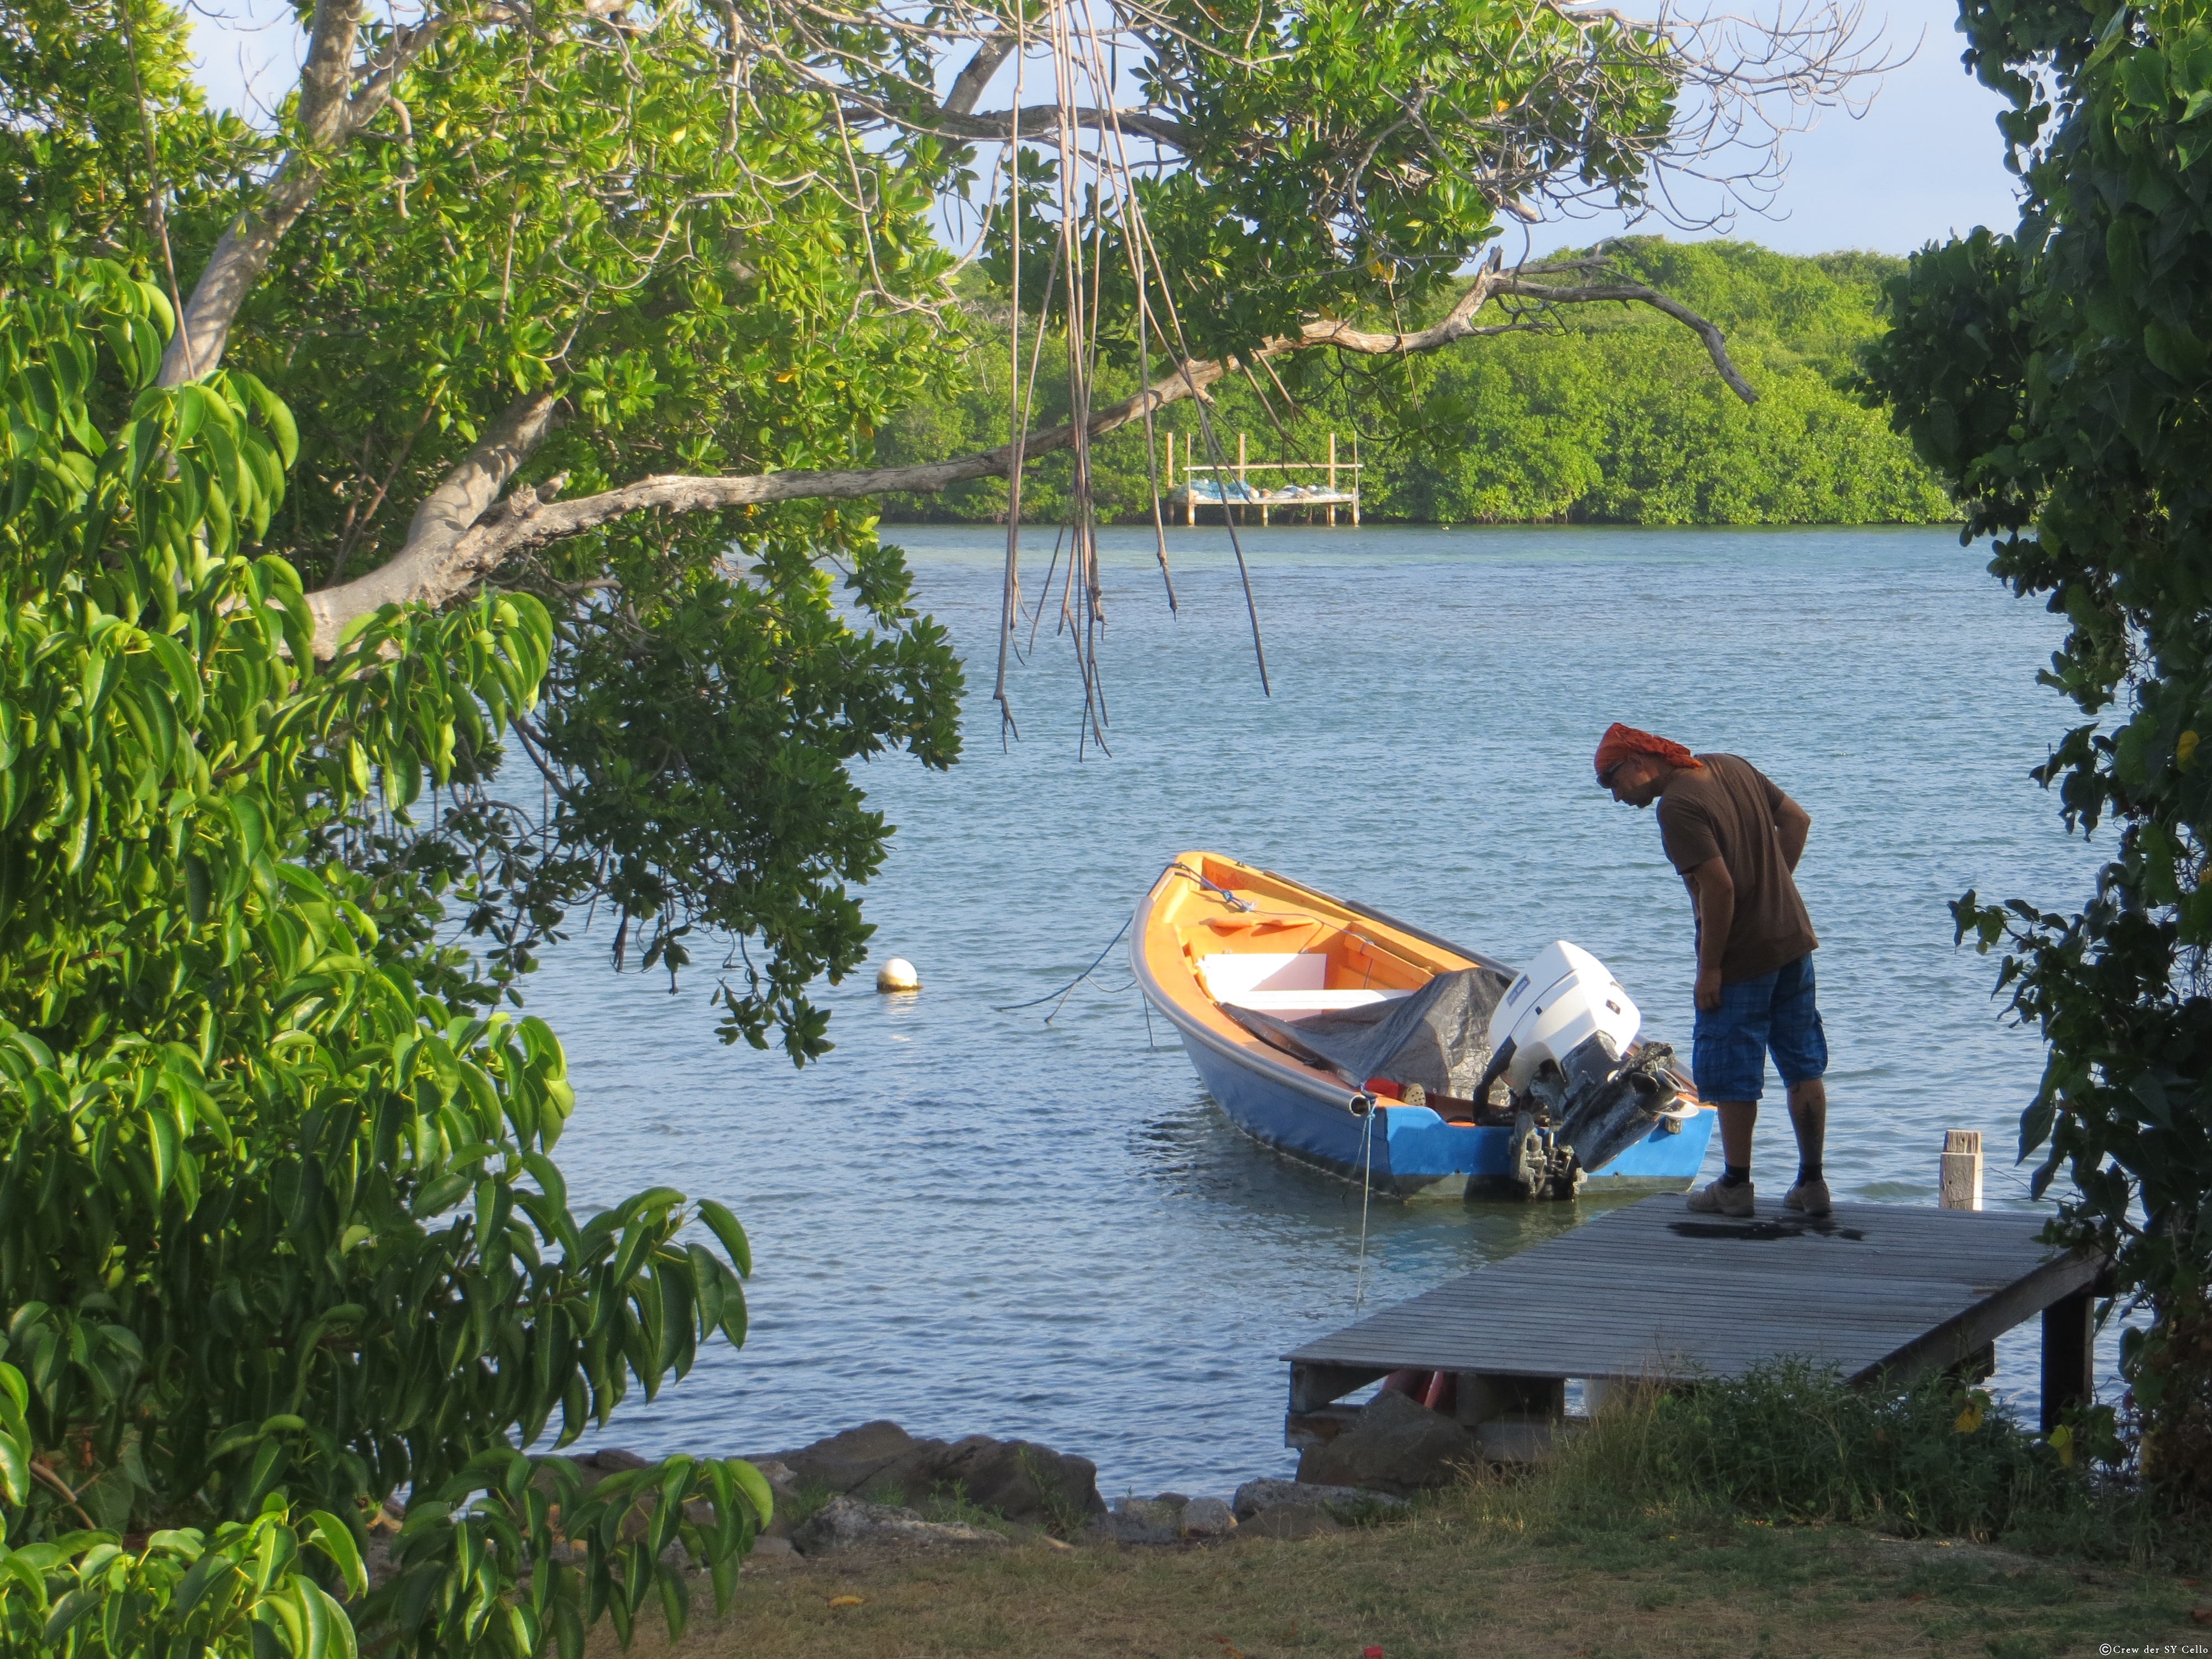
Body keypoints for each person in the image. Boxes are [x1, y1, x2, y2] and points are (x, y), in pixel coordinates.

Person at [1594, 722, 1830, 1219]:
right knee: (1801, 1064)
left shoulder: (1676, 807)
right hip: (1792, 940)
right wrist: (1773, 888)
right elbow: (1798, 821)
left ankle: (1736, 1185)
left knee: (1732, 1069)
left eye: (1612, 781)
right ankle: (1812, 1183)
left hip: (1742, 957)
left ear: (1640, 762)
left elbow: (1719, 889)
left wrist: (1710, 970)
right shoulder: (1732, 765)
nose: (1615, 798)